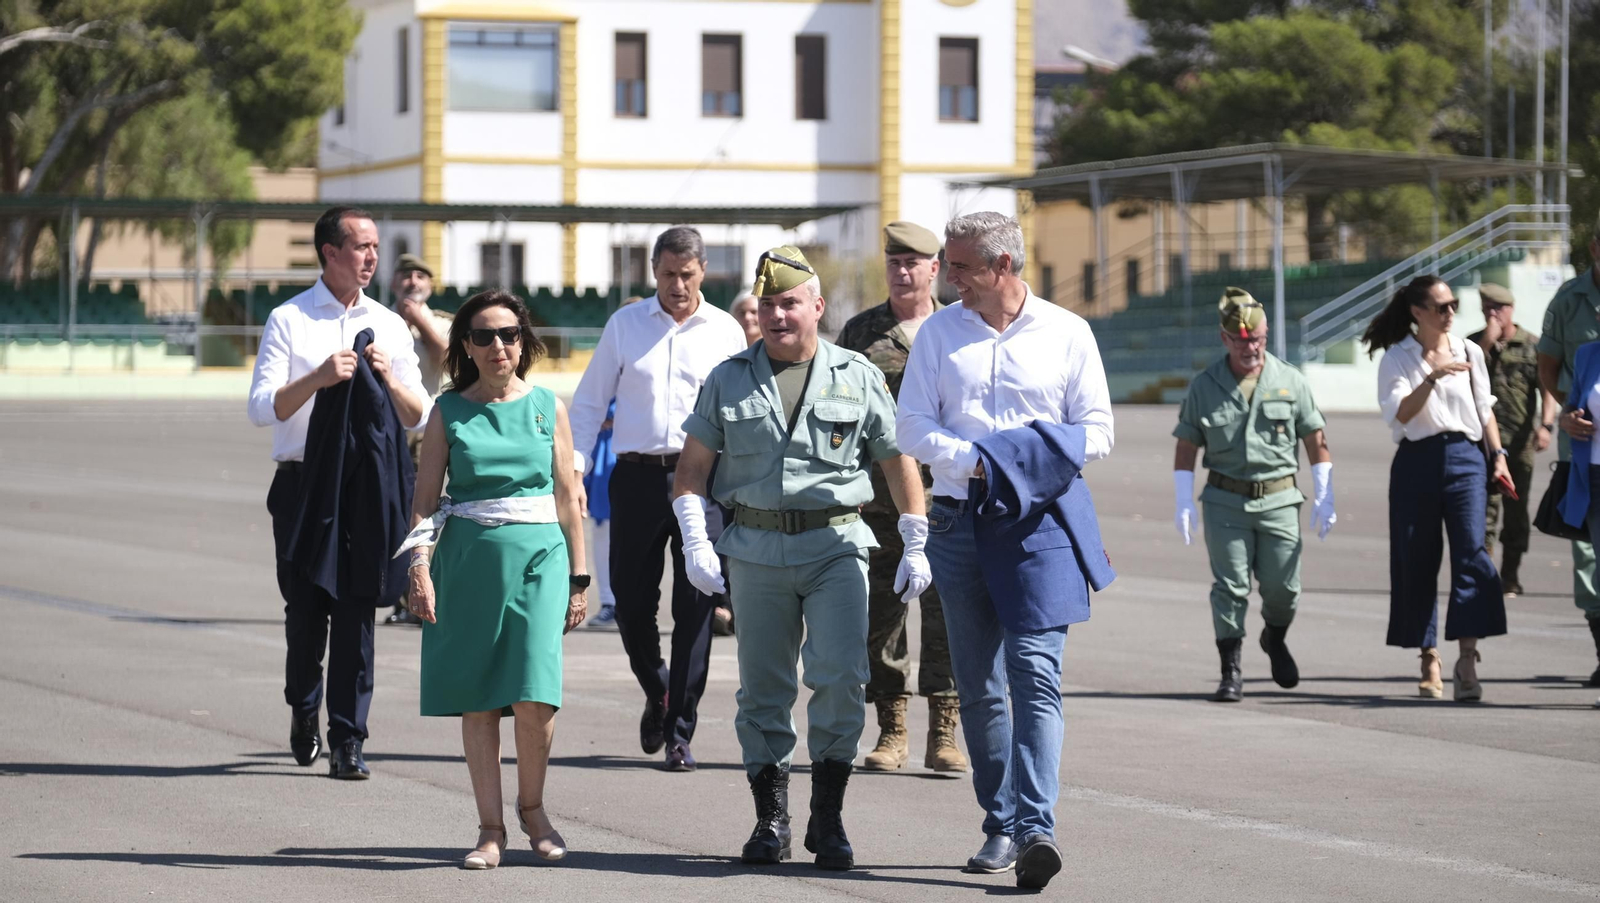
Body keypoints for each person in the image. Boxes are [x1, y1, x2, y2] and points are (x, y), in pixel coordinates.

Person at [671, 245, 931, 871]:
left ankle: (829, 817)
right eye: (767, 304)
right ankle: (771, 818)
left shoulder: (858, 375)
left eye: (789, 303)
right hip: (755, 550)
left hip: (836, 545)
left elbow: (897, 461)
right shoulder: (729, 377)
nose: (777, 314)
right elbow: (691, 473)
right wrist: (695, 540)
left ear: (817, 306)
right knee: (763, 690)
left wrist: (917, 536)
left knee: (841, 677)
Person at [897, 211, 1114, 889]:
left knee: (1036, 675)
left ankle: (1035, 829)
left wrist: (1019, 461)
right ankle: (1002, 819)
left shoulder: (1067, 333)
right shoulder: (939, 333)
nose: (949, 278)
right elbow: (912, 425)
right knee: (981, 686)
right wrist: (979, 461)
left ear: (1004, 266)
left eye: (960, 266)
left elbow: (1098, 430)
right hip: (960, 520)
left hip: (1041, 523)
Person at [399, 290, 588, 870]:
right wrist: (419, 568)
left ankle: (534, 811)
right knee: (479, 701)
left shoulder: (547, 406)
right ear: (466, 347)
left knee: (536, 698)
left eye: (508, 334)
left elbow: (565, 495)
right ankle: (489, 830)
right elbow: (425, 502)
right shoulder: (447, 411)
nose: (497, 346)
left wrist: (580, 576)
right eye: (483, 336)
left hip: (540, 561)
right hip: (468, 563)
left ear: (524, 341)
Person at [247, 206, 430, 779]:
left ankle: (349, 738)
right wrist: (319, 378)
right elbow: (262, 408)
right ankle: (304, 709)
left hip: (367, 491)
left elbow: (420, 416)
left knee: (357, 614)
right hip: (304, 485)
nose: (372, 257)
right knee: (306, 614)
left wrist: (392, 378)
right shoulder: (290, 319)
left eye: (376, 246)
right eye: (361, 246)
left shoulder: (390, 325)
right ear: (329, 252)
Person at [568, 226, 748, 771]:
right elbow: (586, 404)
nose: (677, 286)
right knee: (628, 598)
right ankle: (659, 687)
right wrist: (573, 470)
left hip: (704, 481)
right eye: (667, 275)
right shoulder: (625, 325)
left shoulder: (725, 331)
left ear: (703, 272)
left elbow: (742, 412)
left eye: (687, 276)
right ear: (654, 272)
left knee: (696, 604)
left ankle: (679, 732)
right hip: (637, 478)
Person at [836, 221, 964, 773]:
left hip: (951, 498)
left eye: (914, 262)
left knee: (949, 617)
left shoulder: (960, 326)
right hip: (880, 502)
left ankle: (945, 731)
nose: (903, 271)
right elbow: (838, 410)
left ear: (935, 269)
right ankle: (891, 731)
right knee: (882, 617)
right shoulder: (862, 332)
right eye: (894, 262)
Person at [1173, 288, 1335, 703]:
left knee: (1285, 589)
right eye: (1242, 341)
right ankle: (1231, 670)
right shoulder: (1205, 386)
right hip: (1225, 501)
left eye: (1258, 339)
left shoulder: (1290, 380)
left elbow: (1315, 437)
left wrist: (1325, 492)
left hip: (1280, 500)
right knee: (1231, 587)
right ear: (1224, 339)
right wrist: (1182, 498)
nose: (1251, 347)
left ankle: (1275, 637)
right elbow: (1187, 444)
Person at [1365, 275, 1509, 702]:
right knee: (1418, 559)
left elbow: (1484, 410)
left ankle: (1468, 658)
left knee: (1472, 554)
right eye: (1440, 307)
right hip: (1417, 461)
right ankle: (1429, 656)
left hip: (1466, 460)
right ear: (1417, 312)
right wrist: (1432, 378)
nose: (1450, 314)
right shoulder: (1397, 358)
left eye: (1453, 305)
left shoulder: (1468, 351)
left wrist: (1498, 455)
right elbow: (1401, 415)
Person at [1537, 212, 1600, 687]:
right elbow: (1548, 367)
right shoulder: (1568, 302)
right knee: (1588, 556)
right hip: (1583, 452)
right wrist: (1568, 411)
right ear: (1595, 248)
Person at [1469, 283, 1551, 597]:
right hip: (1482, 443)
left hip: (1519, 443)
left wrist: (1545, 426)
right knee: (1483, 512)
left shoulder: (1531, 345)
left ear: (1511, 309)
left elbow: (1547, 390)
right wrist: (1487, 343)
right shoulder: (1474, 344)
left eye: (1497, 308)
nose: (1492, 314)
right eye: (1487, 308)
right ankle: (1485, 576)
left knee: (1516, 513)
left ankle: (1510, 576)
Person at [385, 253, 454, 627]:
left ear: (430, 285)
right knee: (396, 513)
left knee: (427, 512)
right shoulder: (381, 321)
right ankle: (402, 595)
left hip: (433, 430)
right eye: (405, 275)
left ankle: (425, 592)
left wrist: (420, 322)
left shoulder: (444, 322)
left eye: (420, 276)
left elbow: (449, 359)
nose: (413, 281)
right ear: (394, 283)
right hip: (392, 430)